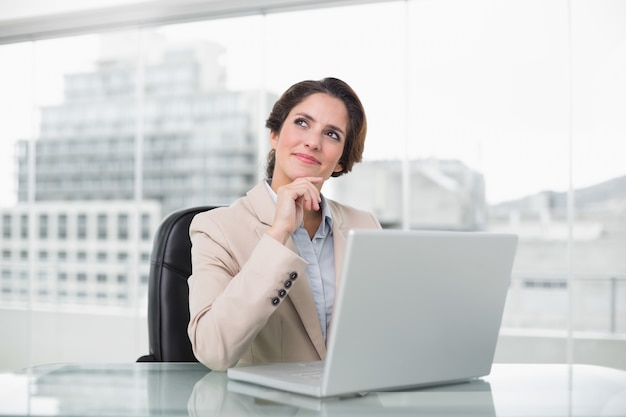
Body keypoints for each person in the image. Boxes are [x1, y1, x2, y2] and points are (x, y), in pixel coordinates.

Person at [187, 77, 381, 371]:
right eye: (302, 123)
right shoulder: (216, 229)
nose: (313, 142)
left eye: (331, 134)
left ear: (341, 160)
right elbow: (213, 350)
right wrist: (278, 235)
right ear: (275, 135)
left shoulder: (363, 226)